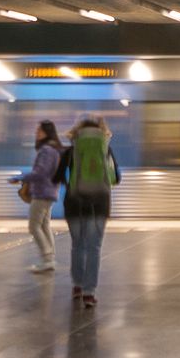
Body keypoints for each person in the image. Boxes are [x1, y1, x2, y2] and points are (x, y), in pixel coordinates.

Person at [61, 113, 119, 309]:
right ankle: (89, 293)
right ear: (102, 130)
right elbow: (115, 178)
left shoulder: (71, 151)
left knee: (78, 245)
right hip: (100, 203)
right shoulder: (105, 148)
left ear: (77, 131)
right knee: (94, 248)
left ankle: (77, 285)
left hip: (75, 203)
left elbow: (61, 176)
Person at [18, 120, 64, 273]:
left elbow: (41, 172)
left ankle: (47, 257)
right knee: (44, 225)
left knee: (34, 226)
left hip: (42, 193)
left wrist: (23, 177)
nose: (36, 133)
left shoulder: (46, 150)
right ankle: (49, 259)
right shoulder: (54, 148)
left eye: (39, 131)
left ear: (46, 132)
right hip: (50, 192)